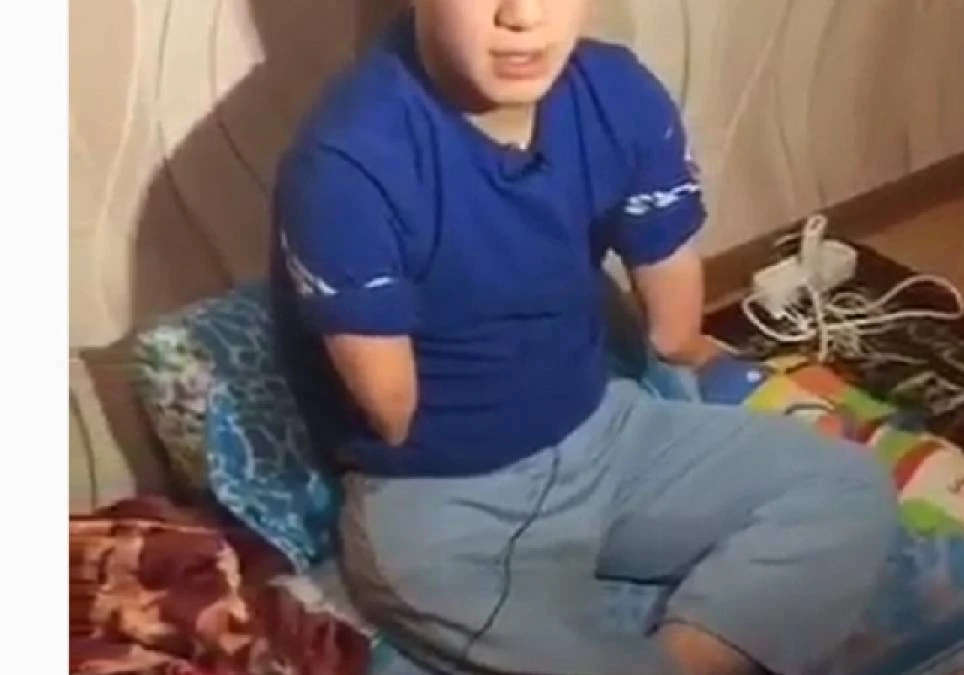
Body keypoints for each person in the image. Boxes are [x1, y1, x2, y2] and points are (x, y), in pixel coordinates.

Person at [267, 1, 898, 673]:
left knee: (848, 486)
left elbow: (675, 334)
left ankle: (690, 661)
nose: (523, 14)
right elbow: (392, 415)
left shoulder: (615, 91)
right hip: (445, 506)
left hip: (604, 434)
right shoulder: (347, 158)